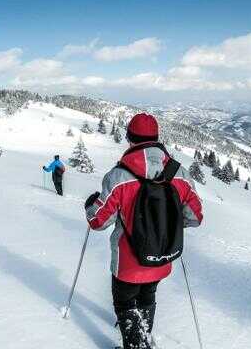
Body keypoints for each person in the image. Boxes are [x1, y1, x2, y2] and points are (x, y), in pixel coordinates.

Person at [84, 113, 203, 349]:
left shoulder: (118, 177)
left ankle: (136, 344)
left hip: (128, 261)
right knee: (148, 294)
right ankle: (143, 336)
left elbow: (98, 221)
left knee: (125, 301)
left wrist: (90, 205)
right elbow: (195, 217)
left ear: (129, 139)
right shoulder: (179, 174)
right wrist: (166, 225)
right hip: (162, 256)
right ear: (157, 138)